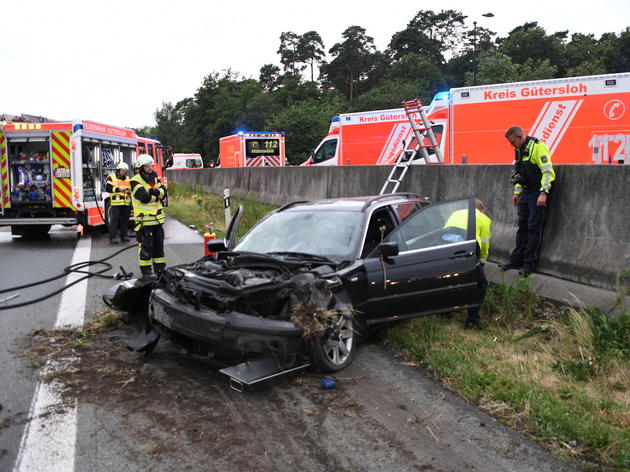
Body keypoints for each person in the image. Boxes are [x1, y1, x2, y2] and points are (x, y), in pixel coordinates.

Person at [501, 126, 555, 276]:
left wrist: (544, 193)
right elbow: (520, 173)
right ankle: (516, 259)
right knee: (522, 227)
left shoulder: (538, 147)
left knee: (533, 227)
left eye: (513, 142)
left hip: (537, 192)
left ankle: (529, 264)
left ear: (520, 136)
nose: (512, 145)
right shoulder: (519, 150)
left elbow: (548, 172)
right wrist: (517, 192)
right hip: (526, 192)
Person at [443, 199, 492, 329]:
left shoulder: (456, 213)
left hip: (446, 248)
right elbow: (485, 242)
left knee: (451, 279)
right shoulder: (483, 218)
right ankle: (472, 320)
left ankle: (445, 312)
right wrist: (482, 262)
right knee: (481, 285)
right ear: (481, 210)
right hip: (466, 249)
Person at [130, 154, 168, 279]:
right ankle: (146, 272)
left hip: (157, 221)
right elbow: (144, 198)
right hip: (144, 222)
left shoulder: (155, 179)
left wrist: (155, 192)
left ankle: (160, 270)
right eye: (147, 166)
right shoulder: (135, 181)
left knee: (159, 248)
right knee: (146, 249)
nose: (150, 168)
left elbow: (164, 193)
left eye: (151, 165)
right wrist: (156, 194)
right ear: (141, 167)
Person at [105, 162, 132, 244]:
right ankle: (112, 237)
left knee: (125, 221)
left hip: (126, 203)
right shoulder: (112, 178)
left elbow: (130, 189)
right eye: (122, 170)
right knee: (114, 221)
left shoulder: (128, 179)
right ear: (118, 170)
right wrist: (118, 190)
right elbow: (108, 188)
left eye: (124, 171)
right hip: (116, 203)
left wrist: (129, 191)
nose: (123, 172)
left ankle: (124, 236)